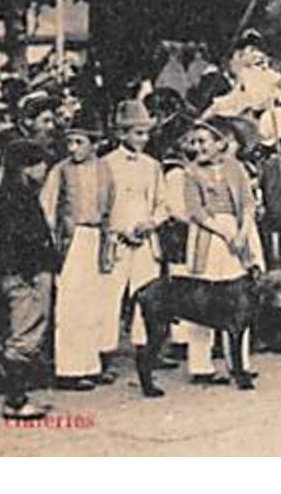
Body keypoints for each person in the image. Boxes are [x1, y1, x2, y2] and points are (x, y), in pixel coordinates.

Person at [38, 113, 118, 391]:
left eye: (79, 142)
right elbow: (47, 209)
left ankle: (91, 365)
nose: (73, 148)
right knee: (70, 305)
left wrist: (109, 242)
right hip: (71, 241)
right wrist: (52, 243)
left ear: (93, 144)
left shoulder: (104, 170)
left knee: (93, 304)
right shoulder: (60, 171)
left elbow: (110, 207)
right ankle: (69, 369)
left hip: (96, 238)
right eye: (70, 142)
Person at [178, 120, 258, 384]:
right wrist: (224, 234)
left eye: (204, 141)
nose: (198, 147)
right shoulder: (190, 173)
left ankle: (240, 364)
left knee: (238, 301)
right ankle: (201, 366)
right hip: (208, 237)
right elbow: (196, 212)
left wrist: (243, 233)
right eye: (195, 142)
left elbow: (247, 203)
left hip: (236, 236)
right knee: (201, 301)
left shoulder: (235, 168)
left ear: (220, 143)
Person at [99, 99, 166, 380]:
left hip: (145, 240)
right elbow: (101, 205)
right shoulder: (106, 165)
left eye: (146, 133)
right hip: (118, 240)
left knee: (148, 298)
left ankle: (146, 353)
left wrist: (151, 222)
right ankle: (104, 356)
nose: (143, 139)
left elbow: (163, 203)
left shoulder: (152, 166)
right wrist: (118, 229)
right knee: (110, 297)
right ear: (122, 134)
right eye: (137, 133)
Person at [0, 140, 57, 420]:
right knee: (25, 334)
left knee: (27, 333)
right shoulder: (18, 198)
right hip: (27, 274)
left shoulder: (15, 193)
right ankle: (15, 402)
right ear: (27, 166)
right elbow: (23, 240)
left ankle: (19, 398)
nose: (45, 169)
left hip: (24, 272)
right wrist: (33, 273)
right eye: (40, 163)